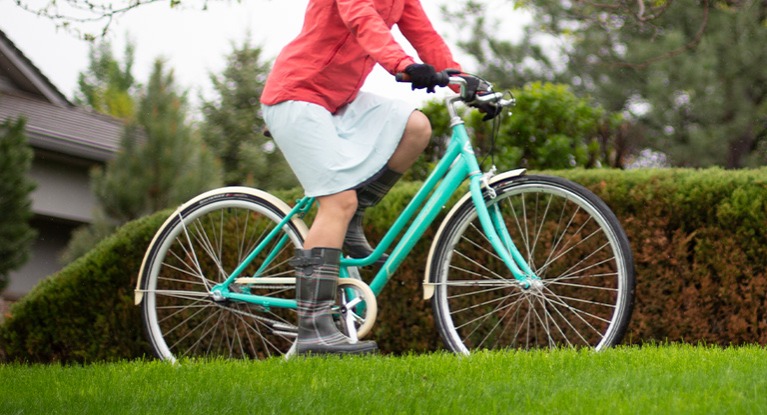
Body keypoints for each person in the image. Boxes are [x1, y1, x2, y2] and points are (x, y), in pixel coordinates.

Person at [260, 0, 462, 355]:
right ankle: (313, 329)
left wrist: (463, 82)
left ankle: (353, 217)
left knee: (416, 127)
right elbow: (362, 19)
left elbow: (425, 35)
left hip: (339, 100)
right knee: (338, 201)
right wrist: (404, 65)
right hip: (297, 95)